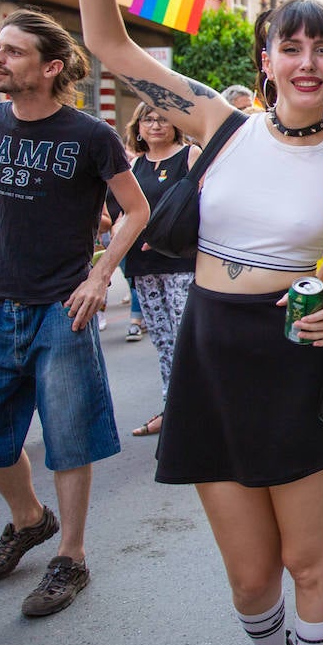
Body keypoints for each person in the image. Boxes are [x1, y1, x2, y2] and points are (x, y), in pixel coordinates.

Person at [75, 0, 323, 645]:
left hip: (295, 355)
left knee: (309, 561)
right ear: (267, 59)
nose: (309, 61)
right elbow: (106, 42)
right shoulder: (222, 124)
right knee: (250, 577)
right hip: (211, 352)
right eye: (293, 45)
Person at [0, 8, 149, 617]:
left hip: (62, 307)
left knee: (69, 436)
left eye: (12, 51)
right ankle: (29, 519)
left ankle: (71, 556)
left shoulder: (91, 135)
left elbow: (135, 211)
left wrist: (98, 277)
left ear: (50, 66)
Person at [113, 102, 199, 437]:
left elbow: (203, 206)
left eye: (163, 118)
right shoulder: (134, 165)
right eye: (148, 119)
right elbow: (124, 213)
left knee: (185, 339)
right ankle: (172, 409)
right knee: (163, 340)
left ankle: (195, 411)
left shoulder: (190, 156)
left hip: (181, 262)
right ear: (138, 127)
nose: (155, 124)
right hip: (144, 265)